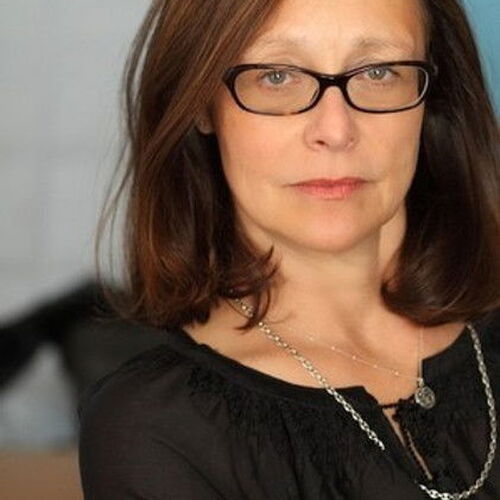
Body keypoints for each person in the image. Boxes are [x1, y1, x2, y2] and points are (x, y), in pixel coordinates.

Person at [78, 0, 500, 498]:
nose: (335, 131)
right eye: (276, 76)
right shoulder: (154, 430)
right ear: (200, 103)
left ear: (433, 92)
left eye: (379, 71)